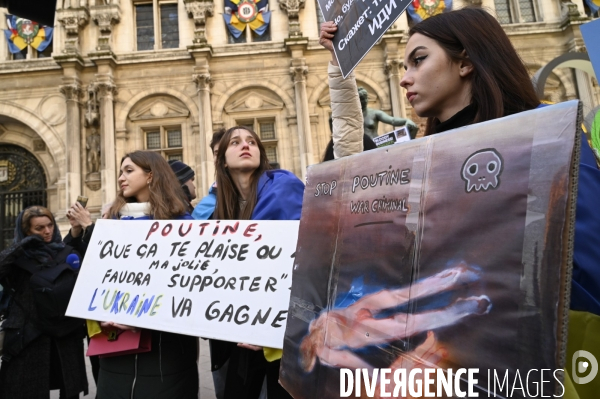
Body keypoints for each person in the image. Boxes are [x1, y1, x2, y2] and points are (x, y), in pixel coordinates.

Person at [95, 151, 199, 399]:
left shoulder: (183, 224)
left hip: (166, 353)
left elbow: (190, 289)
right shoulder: (110, 224)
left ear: (151, 175)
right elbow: (96, 282)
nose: (121, 177)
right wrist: (99, 315)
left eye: (129, 171)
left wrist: (146, 317)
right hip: (115, 350)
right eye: (121, 172)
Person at [213, 126, 304, 399]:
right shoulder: (222, 211)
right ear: (223, 160)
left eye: (252, 141)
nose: (246, 145)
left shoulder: (284, 186)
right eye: (236, 142)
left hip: (287, 332)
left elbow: (299, 262)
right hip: (245, 329)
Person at [0, 206, 88, 399]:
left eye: (49, 225)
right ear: (26, 231)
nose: (47, 232)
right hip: (29, 335)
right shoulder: (18, 257)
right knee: (26, 389)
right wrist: (22, 245)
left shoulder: (66, 252)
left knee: (69, 387)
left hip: (64, 333)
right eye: (39, 229)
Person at [192, 128, 226, 220]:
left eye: (225, 151)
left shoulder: (263, 194)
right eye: (217, 153)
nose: (221, 158)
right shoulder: (203, 207)